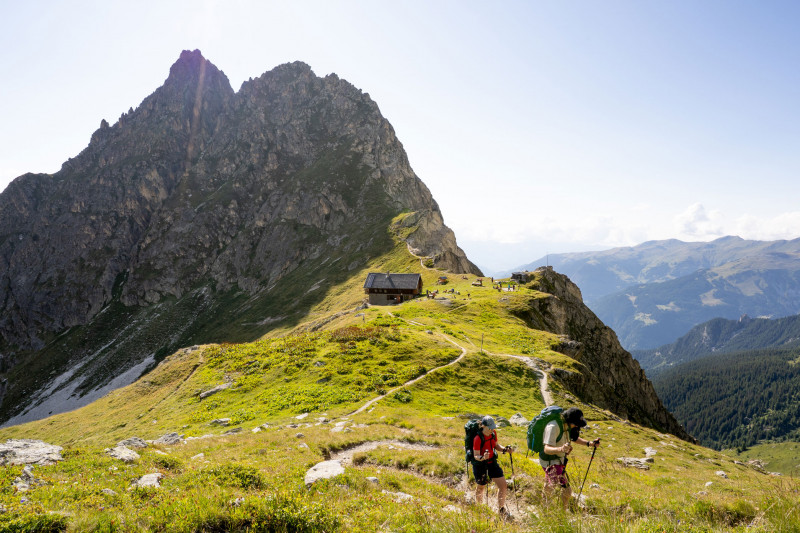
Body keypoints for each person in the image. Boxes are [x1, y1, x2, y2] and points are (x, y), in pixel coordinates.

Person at [539, 407, 600, 510]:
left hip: (559, 460)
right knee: (565, 489)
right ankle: (554, 511)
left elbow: (574, 438)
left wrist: (590, 444)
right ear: (570, 420)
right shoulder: (554, 426)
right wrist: (561, 449)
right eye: (576, 424)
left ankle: (546, 508)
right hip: (550, 459)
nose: (576, 426)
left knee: (551, 484)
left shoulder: (567, 426)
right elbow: (546, 449)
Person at [473, 416, 512, 519]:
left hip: (492, 462)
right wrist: (482, 457)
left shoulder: (493, 433)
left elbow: (496, 446)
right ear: (483, 426)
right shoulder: (477, 438)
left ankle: (501, 509)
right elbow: (476, 455)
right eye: (489, 428)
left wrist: (505, 450)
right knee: (481, 486)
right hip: (480, 464)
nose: (491, 430)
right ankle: (479, 507)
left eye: (492, 427)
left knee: (503, 485)